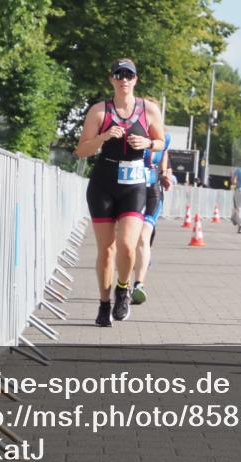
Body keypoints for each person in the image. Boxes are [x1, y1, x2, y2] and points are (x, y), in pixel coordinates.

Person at [73, 59, 164, 327]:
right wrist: (102, 138)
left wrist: (148, 142)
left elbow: (160, 141)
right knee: (106, 250)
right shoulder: (99, 112)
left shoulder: (149, 109)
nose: (124, 79)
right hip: (104, 181)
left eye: (129, 75)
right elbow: (81, 150)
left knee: (127, 245)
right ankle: (104, 304)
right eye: (118, 74)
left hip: (134, 183)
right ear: (111, 79)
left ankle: (122, 289)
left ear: (136, 80)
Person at [132, 130, 173, 305]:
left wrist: (165, 176)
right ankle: (123, 285)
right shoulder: (132, 134)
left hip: (153, 191)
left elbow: (165, 162)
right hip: (131, 191)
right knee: (129, 240)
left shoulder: (165, 137)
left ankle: (139, 285)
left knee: (144, 236)